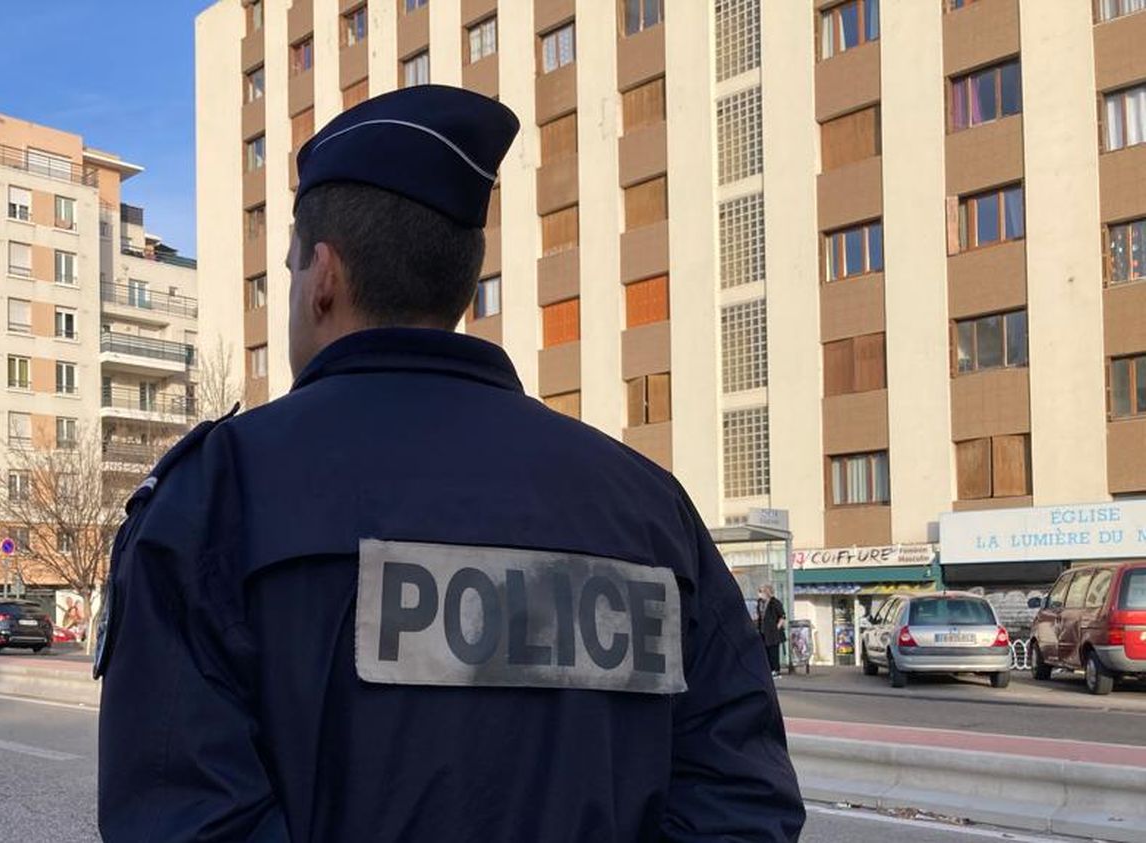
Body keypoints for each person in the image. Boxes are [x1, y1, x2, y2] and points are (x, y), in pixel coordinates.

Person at [96, 85, 803, 842]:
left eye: (292, 269)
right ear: (461, 282)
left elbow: (184, 819)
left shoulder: (217, 495)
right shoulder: (648, 508)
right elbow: (741, 800)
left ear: (324, 276)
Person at [757, 584, 788, 677]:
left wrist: (777, 627)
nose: (760, 594)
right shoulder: (760, 603)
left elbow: (782, 616)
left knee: (773, 651)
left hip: (773, 632)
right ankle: (769, 669)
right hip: (763, 631)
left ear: (767, 592)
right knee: (765, 651)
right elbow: (760, 616)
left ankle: (776, 670)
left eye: (761, 591)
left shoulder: (775, 603)